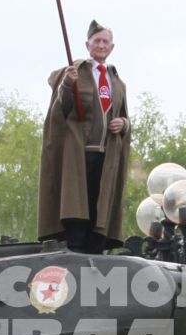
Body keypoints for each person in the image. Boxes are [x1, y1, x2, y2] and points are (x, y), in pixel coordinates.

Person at [38, 19, 130, 254]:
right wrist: (68, 86)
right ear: (87, 44)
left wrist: (124, 124)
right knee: (76, 205)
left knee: (100, 206)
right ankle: (75, 250)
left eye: (105, 41)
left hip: (106, 155)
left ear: (112, 47)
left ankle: (95, 251)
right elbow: (63, 109)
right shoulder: (75, 72)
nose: (101, 45)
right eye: (96, 41)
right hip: (79, 153)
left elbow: (121, 114)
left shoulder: (117, 82)